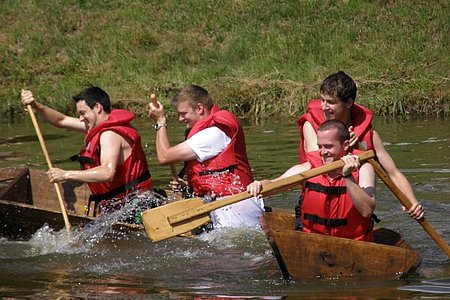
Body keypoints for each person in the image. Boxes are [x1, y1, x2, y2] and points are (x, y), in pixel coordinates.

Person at [297, 71, 424, 220]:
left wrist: (412, 202)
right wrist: (346, 149)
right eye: (322, 100)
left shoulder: (367, 133)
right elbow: (319, 164)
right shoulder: (311, 125)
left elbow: (393, 173)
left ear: (349, 103)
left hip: (355, 207)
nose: (324, 107)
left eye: (331, 102)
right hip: (318, 207)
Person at [21, 86, 154, 217]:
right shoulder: (97, 126)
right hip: (119, 204)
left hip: (137, 204)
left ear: (97, 108)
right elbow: (61, 120)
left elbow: (107, 172)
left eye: (82, 113)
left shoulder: (110, 134)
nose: (80, 118)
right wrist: (36, 106)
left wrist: (65, 174)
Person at [148, 85, 264, 229]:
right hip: (222, 205)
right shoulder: (207, 133)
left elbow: (165, 157)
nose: (180, 119)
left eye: (183, 113)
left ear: (200, 108)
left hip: (235, 207)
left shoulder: (214, 133)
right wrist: (189, 187)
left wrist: (160, 122)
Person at [248, 120, 376, 241]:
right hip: (313, 241)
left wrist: (347, 176)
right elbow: (272, 185)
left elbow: (367, 211)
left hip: (354, 242)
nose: (323, 152)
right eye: (320, 146)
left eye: (329, 146)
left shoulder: (364, 168)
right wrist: (259, 185)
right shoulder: (308, 169)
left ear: (345, 145)